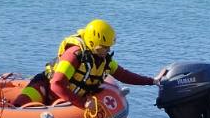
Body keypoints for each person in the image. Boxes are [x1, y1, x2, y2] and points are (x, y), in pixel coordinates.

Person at [12, 19, 159, 108]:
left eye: (109, 47)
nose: (108, 50)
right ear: (92, 42)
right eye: (104, 47)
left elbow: (124, 75)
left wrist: (151, 81)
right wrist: (82, 103)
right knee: (16, 107)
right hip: (43, 89)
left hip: (65, 100)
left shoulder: (104, 59)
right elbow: (56, 84)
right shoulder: (74, 55)